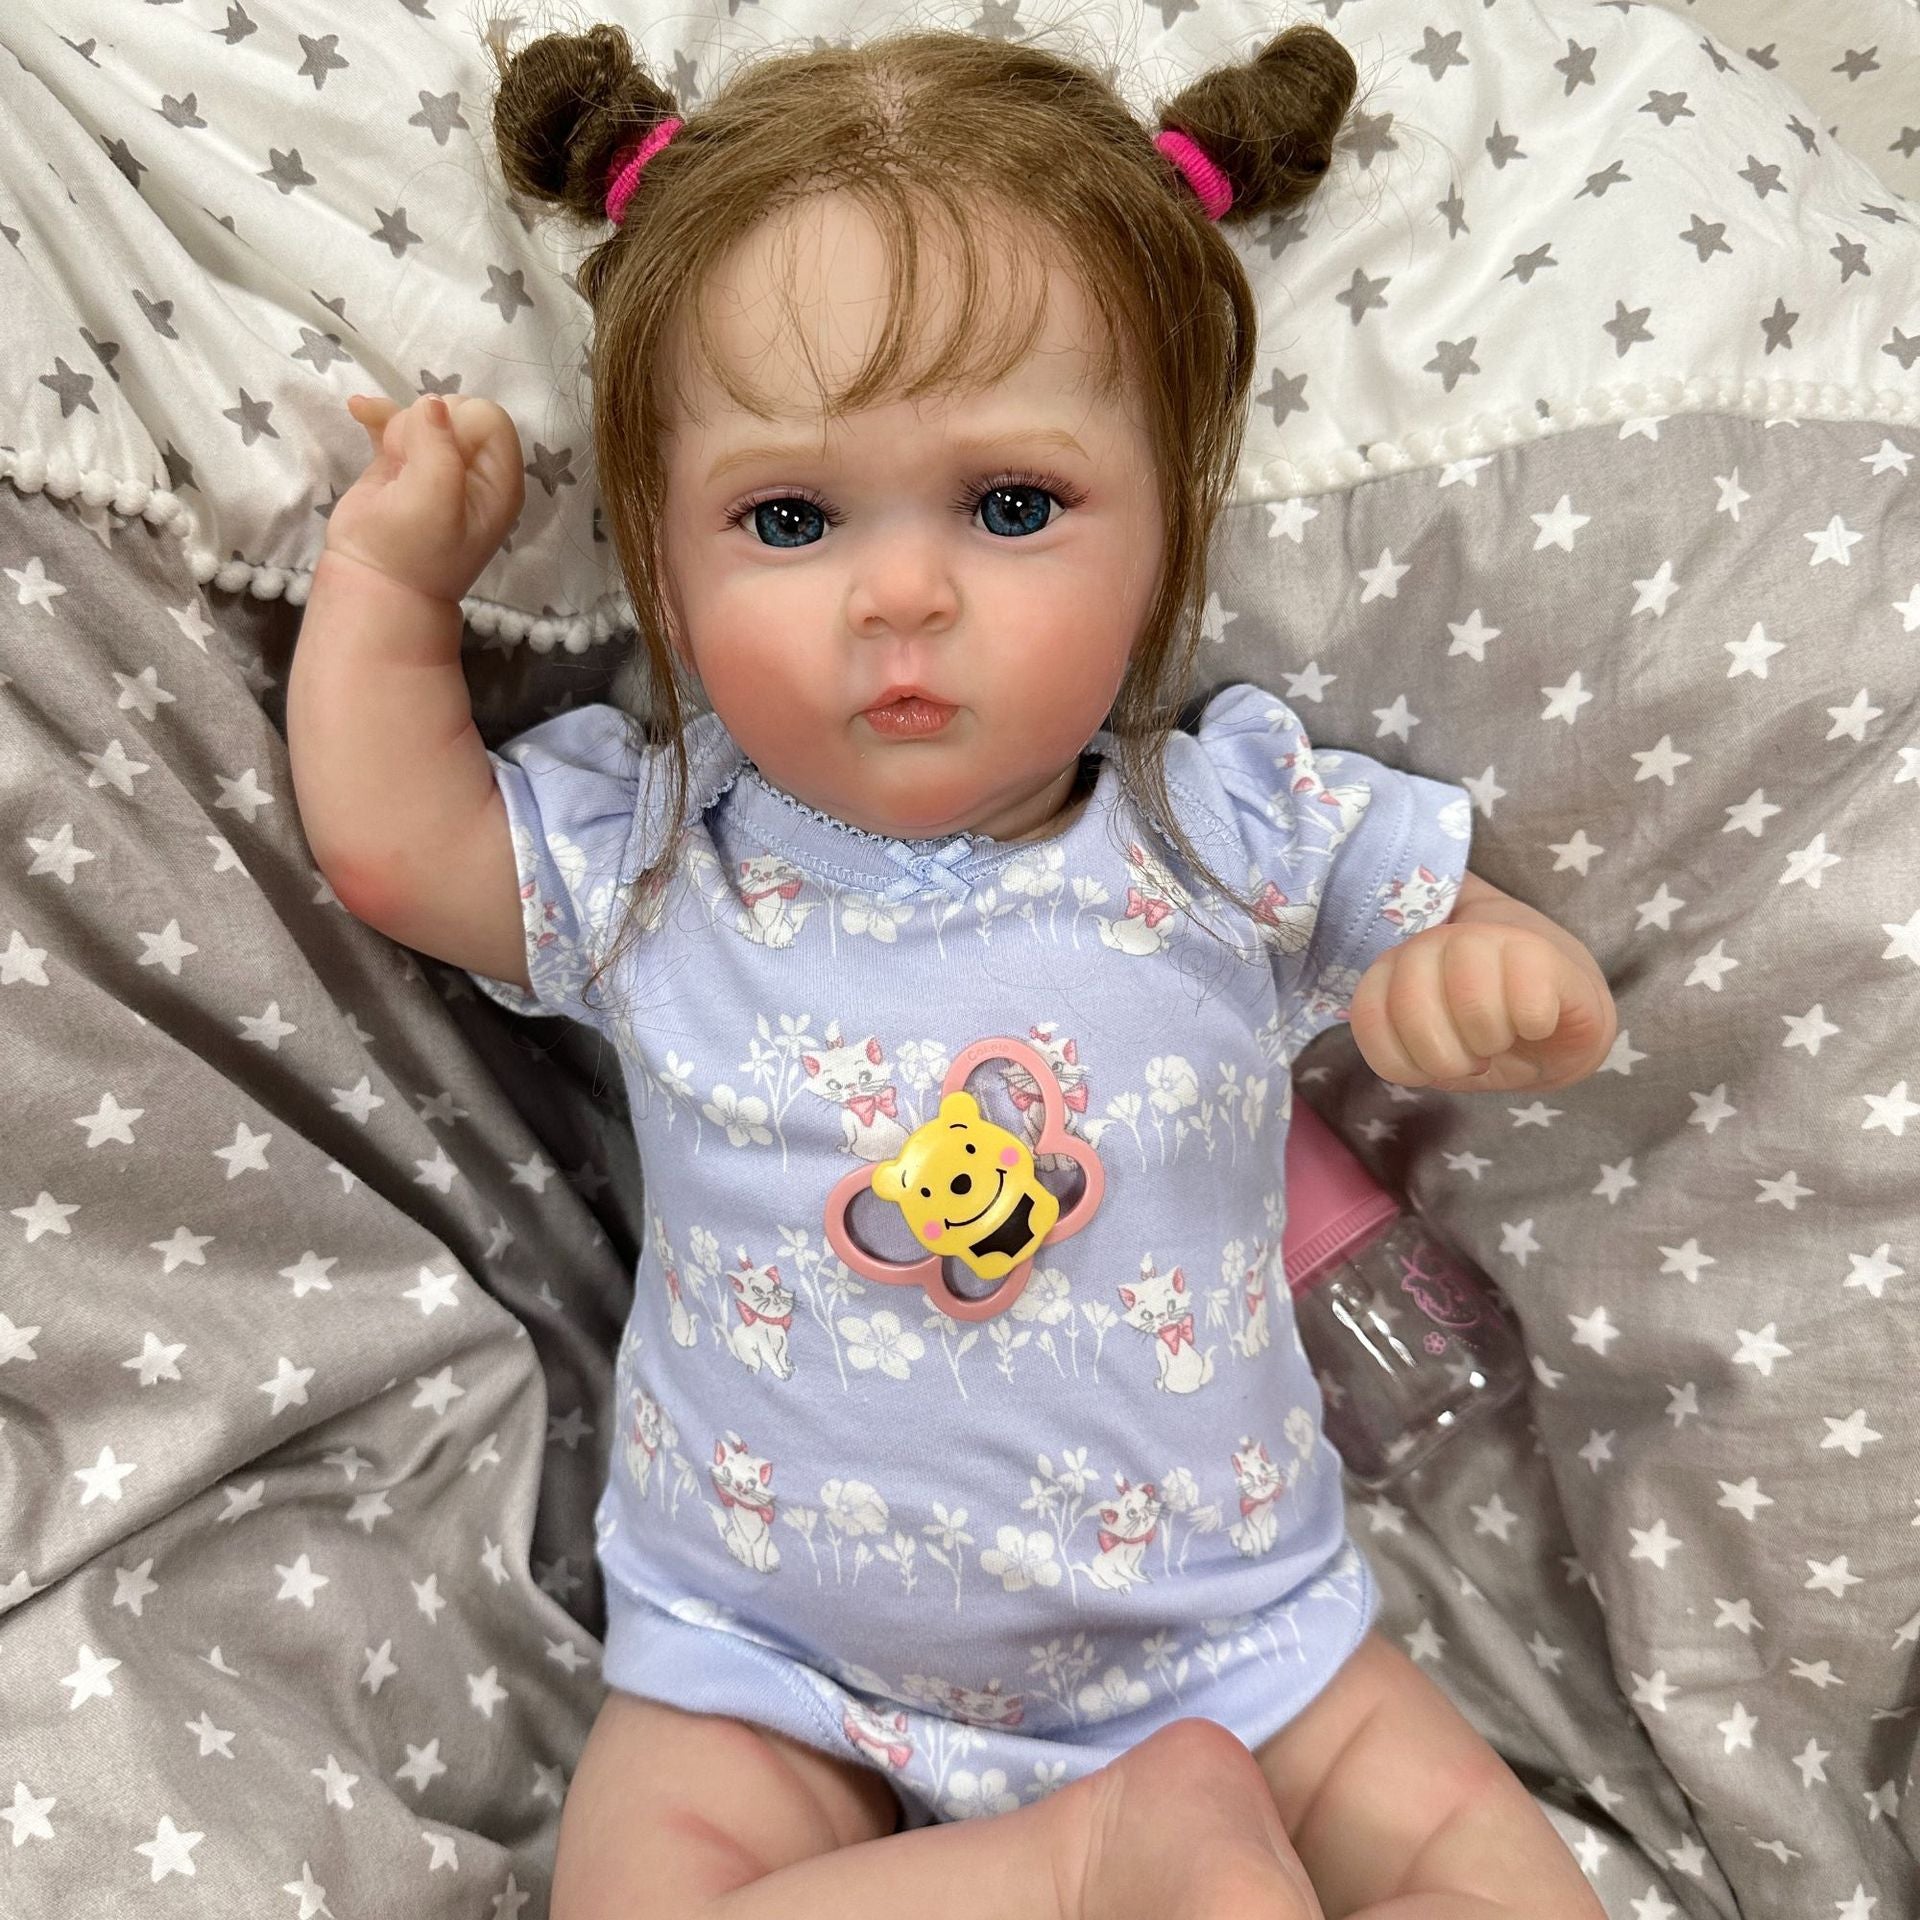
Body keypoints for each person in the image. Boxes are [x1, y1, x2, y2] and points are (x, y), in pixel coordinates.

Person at [287, 19, 1616, 1918]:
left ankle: (1129, 1845)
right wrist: (391, 589)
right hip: (769, 1668)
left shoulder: (1226, 828)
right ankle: (1091, 1865)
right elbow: (395, 841)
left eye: (1009, 507)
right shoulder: (658, 855)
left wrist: (1495, 982)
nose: (900, 595)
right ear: (660, 559)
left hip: (1232, 1641)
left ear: (1167, 526)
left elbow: (1488, 940)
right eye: (790, 518)